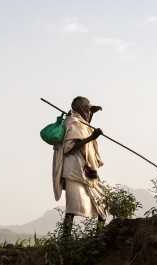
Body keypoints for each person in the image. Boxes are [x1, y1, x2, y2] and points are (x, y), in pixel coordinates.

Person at [52, 96, 107, 235]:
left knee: (103, 203)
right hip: (74, 169)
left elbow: (84, 127)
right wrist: (92, 138)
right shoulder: (72, 121)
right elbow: (69, 147)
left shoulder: (79, 122)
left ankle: (98, 236)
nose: (89, 112)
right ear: (82, 108)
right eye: (88, 109)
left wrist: (92, 114)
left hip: (86, 169)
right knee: (73, 207)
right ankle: (65, 239)